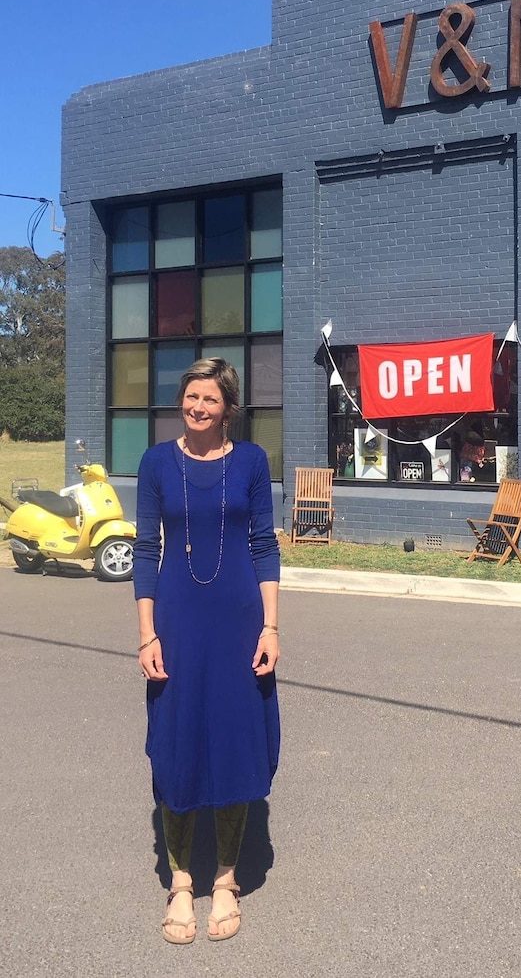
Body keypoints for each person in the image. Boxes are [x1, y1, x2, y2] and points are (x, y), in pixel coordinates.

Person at [134, 357, 281, 945]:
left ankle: (224, 879)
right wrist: (147, 633)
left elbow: (265, 545)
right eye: (191, 397)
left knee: (235, 740)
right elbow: (147, 549)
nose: (198, 407)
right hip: (177, 617)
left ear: (229, 408)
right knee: (176, 739)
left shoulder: (250, 461)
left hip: (240, 618)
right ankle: (179, 880)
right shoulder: (155, 462)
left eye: (210, 400)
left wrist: (272, 628)